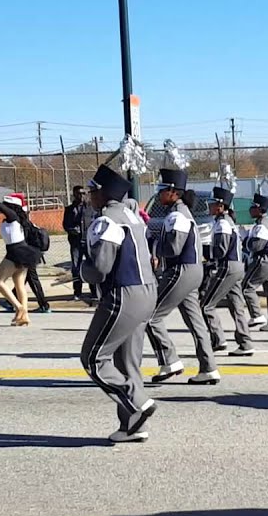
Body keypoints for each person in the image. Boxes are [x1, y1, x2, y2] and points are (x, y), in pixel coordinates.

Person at [78, 165, 158, 443]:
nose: (89, 195)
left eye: (92, 190)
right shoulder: (132, 216)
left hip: (123, 293)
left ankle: (137, 402)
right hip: (148, 292)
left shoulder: (107, 221)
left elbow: (100, 268)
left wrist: (80, 269)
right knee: (127, 362)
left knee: (92, 357)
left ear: (103, 193)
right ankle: (132, 426)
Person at [146, 169, 219, 385]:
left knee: (149, 316)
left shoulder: (176, 215)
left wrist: (155, 244)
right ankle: (209, 367)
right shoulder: (184, 213)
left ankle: (170, 360)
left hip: (181, 270)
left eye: (162, 190)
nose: (159, 195)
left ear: (172, 192)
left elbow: (173, 248)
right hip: (193, 270)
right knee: (196, 323)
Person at [201, 188, 253, 356]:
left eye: (212, 204)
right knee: (236, 305)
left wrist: (206, 253)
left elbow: (221, 250)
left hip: (228, 266)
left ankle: (218, 340)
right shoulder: (228, 221)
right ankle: (245, 342)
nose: (209, 207)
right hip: (237, 266)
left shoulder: (222, 223)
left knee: (206, 305)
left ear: (221, 206)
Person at [0, 192, 39, 327]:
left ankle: (19, 307)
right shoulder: (13, 219)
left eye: (7, 205)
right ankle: (23, 317)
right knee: (19, 286)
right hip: (21, 251)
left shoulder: (13, 217)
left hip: (16, 252)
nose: (3, 207)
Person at [243, 194, 268, 331]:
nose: (250, 210)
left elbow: (256, 246)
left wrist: (245, 239)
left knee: (247, 286)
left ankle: (256, 315)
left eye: (252, 207)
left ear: (259, 209)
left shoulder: (262, 225)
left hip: (265, 258)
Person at [64, 185, 97, 302]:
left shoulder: (91, 208)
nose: (82, 196)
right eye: (79, 193)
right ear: (74, 194)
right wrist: (72, 230)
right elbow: (65, 225)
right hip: (76, 243)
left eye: (83, 193)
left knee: (91, 266)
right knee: (76, 267)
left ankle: (94, 291)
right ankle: (77, 292)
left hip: (88, 242)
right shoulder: (69, 209)